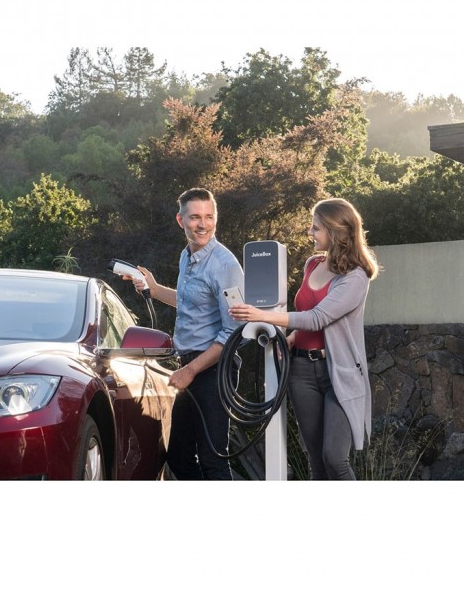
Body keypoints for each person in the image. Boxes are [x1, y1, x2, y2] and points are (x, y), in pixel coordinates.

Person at [229, 198, 379, 480]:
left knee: (334, 458)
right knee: (316, 462)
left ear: (335, 231)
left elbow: (319, 317)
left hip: (339, 374)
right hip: (302, 371)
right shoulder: (312, 264)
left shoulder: (355, 278)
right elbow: (307, 317)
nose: (310, 233)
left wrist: (260, 315)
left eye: (316, 228)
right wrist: (293, 337)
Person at [126, 188, 244, 480]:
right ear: (181, 220)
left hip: (214, 370)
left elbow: (234, 331)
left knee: (213, 459)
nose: (202, 224)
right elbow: (191, 301)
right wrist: (153, 289)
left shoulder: (225, 265)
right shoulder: (187, 255)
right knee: (178, 456)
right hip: (191, 368)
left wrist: (190, 371)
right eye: (195, 217)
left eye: (208, 216)